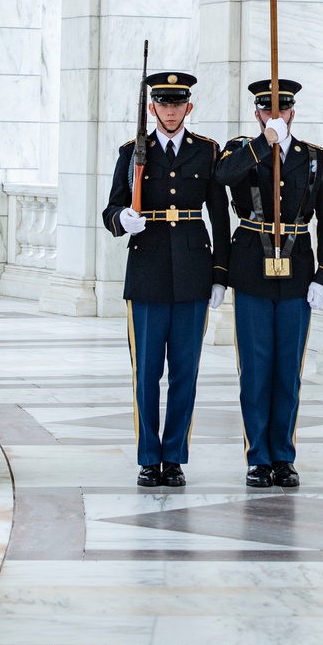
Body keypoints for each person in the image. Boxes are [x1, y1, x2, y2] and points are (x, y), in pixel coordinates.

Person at [104, 70, 229, 488]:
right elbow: (110, 211)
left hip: (194, 272)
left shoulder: (207, 151)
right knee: (146, 373)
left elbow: (219, 215)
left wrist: (219, 275)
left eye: (178, 104)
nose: (171, 111)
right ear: (153, 107)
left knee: (184, 372)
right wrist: (123, 219)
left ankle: (173, 456)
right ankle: (147, 456)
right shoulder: (131, 152)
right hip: (147, 273)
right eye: (163, 103)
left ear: (188, 107)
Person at [216, 78, 323, 487]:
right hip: (251, 269)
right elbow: (222, 178)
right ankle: (258, 457)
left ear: (293, 112)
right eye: (268, 111)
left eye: (282, 110)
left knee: (289, 370)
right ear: (257, 114)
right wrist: (262, 143)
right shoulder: (240, 150)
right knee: (255, 369)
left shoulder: (315, 158)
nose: (276, 116)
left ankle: (283, 456)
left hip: (298, 272)